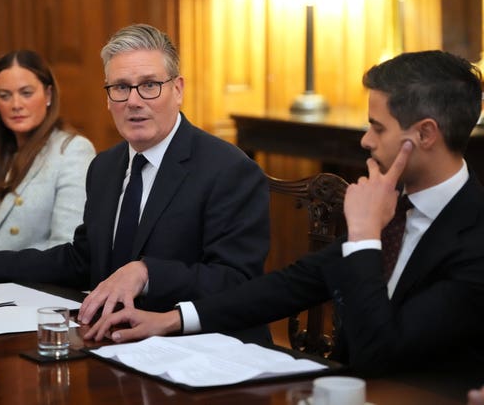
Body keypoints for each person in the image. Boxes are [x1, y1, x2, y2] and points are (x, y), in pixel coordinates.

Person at [85, 50, 484, 376]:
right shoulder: (395, 208)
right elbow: (291, 286)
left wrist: (363, 237)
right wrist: (172, 319)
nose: (365, 140)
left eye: (377, 128)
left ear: (426, 134)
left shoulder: (473, 236)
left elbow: (380, 355)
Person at [0, 23, 270, 333]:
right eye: (120, 88)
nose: (133, 101)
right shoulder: (105, 167)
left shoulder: (229, 170)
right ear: (108, 97)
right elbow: (81, 260)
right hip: (109, 338)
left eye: (149, 85)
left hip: (197, 346)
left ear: (178, 89)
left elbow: (237, 281)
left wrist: (147, 273)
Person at [0, 50, 95, 253]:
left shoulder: (72, 151)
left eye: (26, 93)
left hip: (24, 282)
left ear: (48, 95)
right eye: (4, 96)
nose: (16, 105)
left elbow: (65, 246)